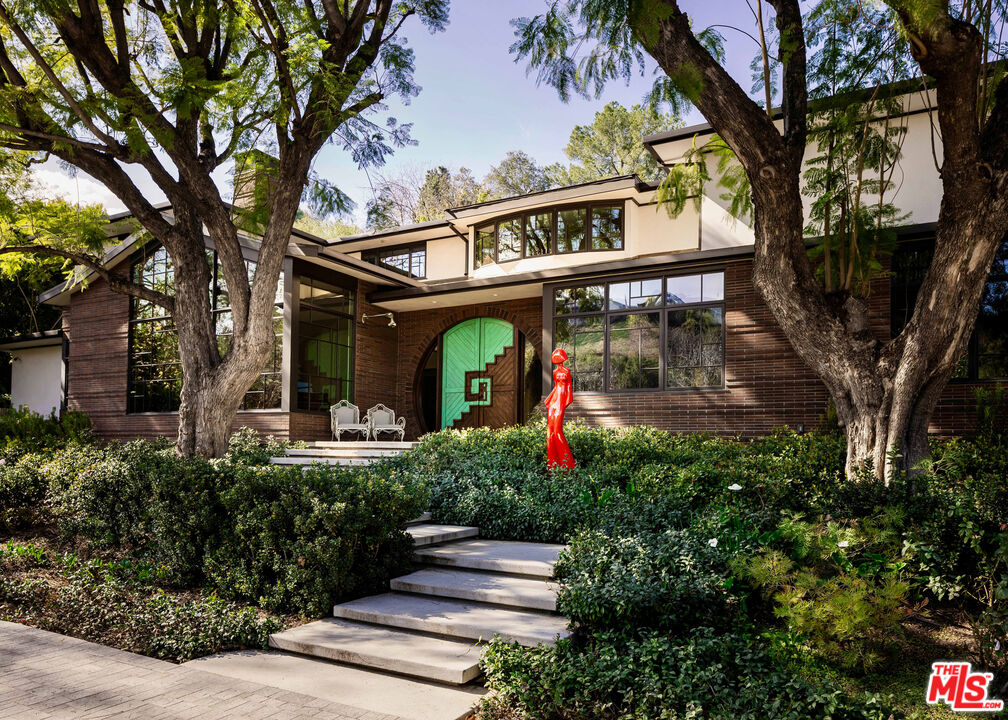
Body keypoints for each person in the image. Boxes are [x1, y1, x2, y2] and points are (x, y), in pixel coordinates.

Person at [545, 348, 575, 469]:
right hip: (554, 401)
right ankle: (553, 463)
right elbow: (556, 387)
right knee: (550, 432)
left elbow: (569, 390)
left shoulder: (567, 372)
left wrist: (564, 404)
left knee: (557, 431)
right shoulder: (554, 372)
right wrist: (549, 399)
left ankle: (568, 463)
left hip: (561, 402)